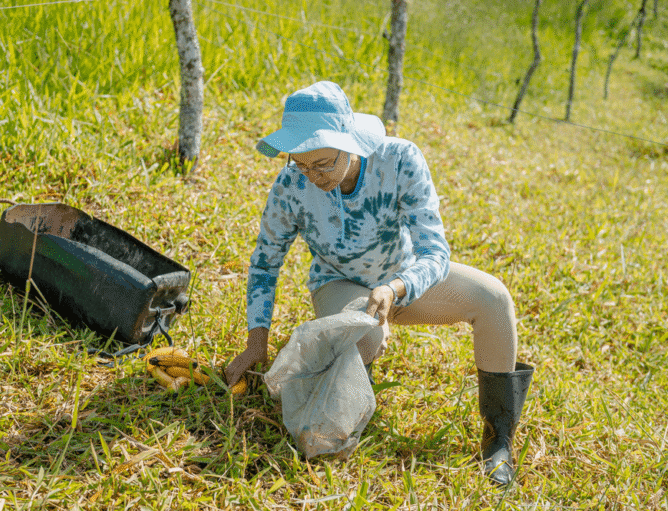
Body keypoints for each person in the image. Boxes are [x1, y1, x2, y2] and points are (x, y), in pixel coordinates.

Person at [224, 81, 534, 485]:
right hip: (339, 281)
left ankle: (498, 438)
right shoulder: (291, 186)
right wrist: (256, 341)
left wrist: (396, 288)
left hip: (403, 279)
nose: (312, 176)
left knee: (494, 298)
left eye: (323, 164)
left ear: (349, 144)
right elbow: (265, 262)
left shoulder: (398, 159)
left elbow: (435, 252)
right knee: (365, 335)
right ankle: (350, 403)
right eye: (300, 164)